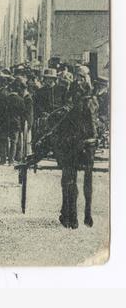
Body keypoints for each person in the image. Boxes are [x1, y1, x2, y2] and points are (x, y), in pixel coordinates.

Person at [52, 65, 99, 229]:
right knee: (74, 179)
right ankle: (76, 215)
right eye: (79, 76)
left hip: (77, 140)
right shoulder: (90, 96)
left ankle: (75, 215)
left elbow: (67, 111)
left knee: (69, 177)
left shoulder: (84, 96)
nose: (80, 79)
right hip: (84, 139)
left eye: (82, 76)